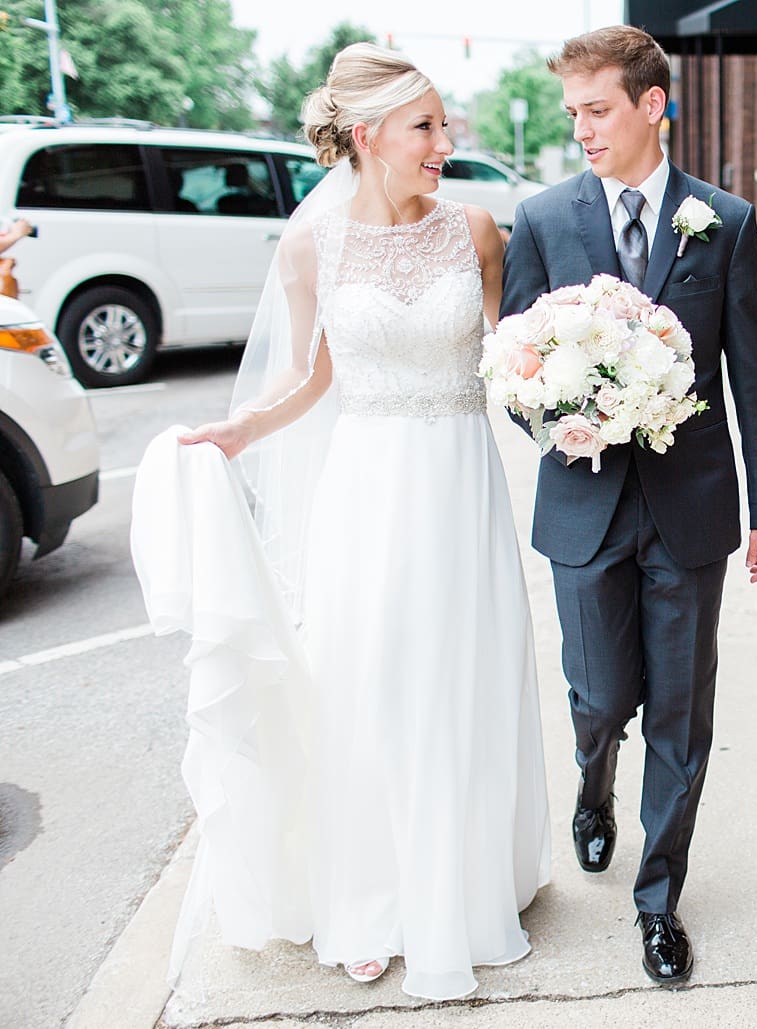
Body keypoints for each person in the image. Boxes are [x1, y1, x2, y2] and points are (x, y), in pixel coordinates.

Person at [141, 43, 550, 1000]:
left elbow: (517, 358)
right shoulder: (308, 246)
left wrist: (585, 387)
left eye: (444, 125)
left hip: (459, 481)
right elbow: (309, 376)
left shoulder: (478, 231)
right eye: (427, 127)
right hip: (368, 487)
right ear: (366, 137)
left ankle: (469, 881)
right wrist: (238, 431)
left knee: (463, 672)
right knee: (367, 682)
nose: (445, 143)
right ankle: (367, 898)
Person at [501, 25, 757, 985]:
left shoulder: (724, 221)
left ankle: (658, 898)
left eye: (597, 109)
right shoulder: (542, 220)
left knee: (679, 709)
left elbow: (753, 373)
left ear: (650, 105)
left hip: (691, 504)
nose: (582, 129)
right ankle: (594, 790)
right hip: (583, 506)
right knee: (600, 698)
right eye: (573, 113)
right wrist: (565, 416)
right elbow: (516, 371)